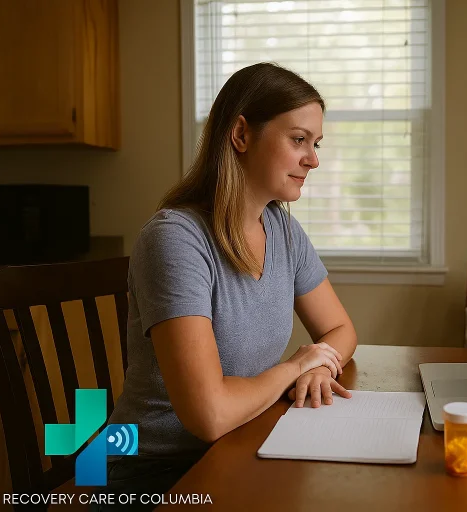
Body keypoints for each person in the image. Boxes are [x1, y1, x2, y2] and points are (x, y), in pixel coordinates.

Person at [96, 63, 357, 509]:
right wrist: (295, 367)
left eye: (315, 144)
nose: (313, 159)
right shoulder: (175, 239)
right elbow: (209, 415)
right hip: (151, 470)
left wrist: (320, 367)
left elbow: (341, 331)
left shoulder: (284, 231)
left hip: (240, 443)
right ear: (241, 135)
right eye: (299, 140)